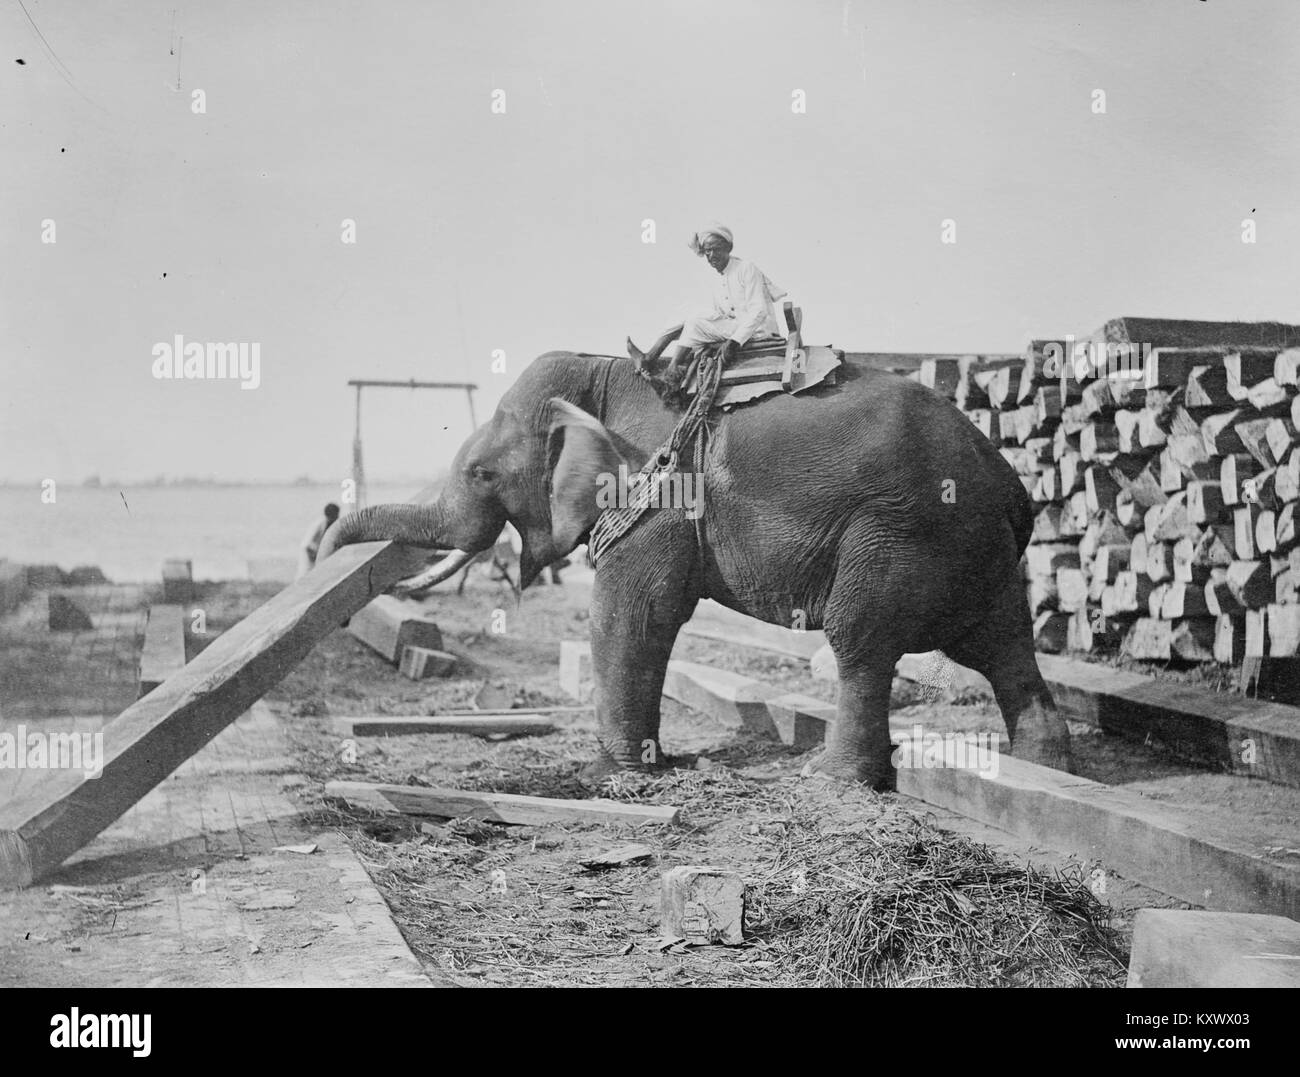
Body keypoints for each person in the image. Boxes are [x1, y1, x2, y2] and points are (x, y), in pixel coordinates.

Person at [661, 224, 788, 390]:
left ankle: (671, 370)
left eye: (717, 249)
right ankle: (654, 359)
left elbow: (759, 311)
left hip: (757, 332)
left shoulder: (746, 268)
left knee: (695, 321)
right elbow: (723, 314)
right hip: (734, 329)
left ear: (729, 248)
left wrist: (734, 342)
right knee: (690, 314)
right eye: (708, 251)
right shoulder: (716, 279)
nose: (712, 255)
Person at [296, 502, 340, 578]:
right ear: (332, 515)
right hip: (308, 553)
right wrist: (315, 557)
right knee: (305, 575)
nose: (338, 517)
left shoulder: (328, 523)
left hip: (315, 553)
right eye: (336, 514)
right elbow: (307, 544)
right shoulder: (319, 524)